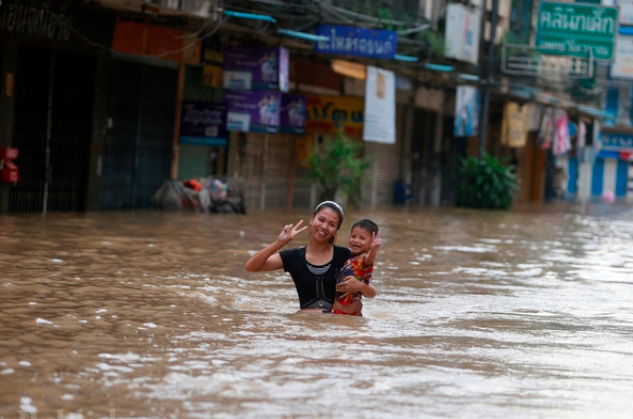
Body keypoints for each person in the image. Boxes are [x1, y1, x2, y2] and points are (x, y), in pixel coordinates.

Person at [244, 201, 376, 313]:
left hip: (339, 326)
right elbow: (251, 266)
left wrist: (361, 287)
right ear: (312, 219)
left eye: (331, 224)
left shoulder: (346, 256)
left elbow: (371, 293)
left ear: (336, 230)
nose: (324, 226)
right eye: (321, 220)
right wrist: (279, 243)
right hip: (307, 328)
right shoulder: (293, 257)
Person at [333, 219, 381, 316]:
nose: (356, 240)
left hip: (351, 314)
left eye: (362, 238)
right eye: (353, 236)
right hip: (335, 310)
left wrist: (373, 250)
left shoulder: (364, 259)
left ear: (371, 243)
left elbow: (369, 259)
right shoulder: (349, 258)